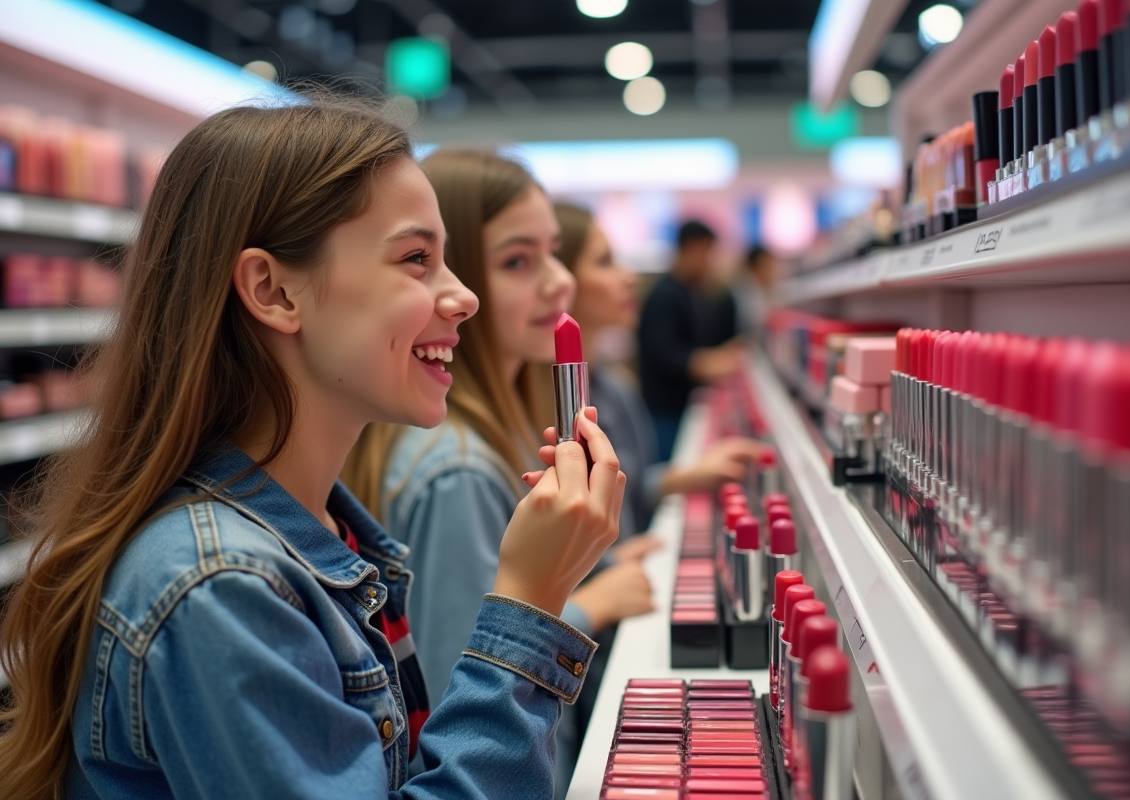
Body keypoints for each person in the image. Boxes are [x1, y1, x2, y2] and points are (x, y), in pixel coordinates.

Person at [0, 100, 626, 800]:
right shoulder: (219, 586)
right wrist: (528, 605)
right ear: (272, 290)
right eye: (417, 259)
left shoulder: (331, 542)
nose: (463, 298)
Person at [340, 150, 654, 798]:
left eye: (555, 252)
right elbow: (469, 696)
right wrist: (582, 604)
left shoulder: (502, 432)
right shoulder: (456, 469)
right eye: (518, 261)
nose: (559, 282)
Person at [555, 202, 765, 540]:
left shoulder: (613, 386)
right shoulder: (666, 296)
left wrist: (688, 475)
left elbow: (629, 485)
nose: (630, 276)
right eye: (605, 262)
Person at [637, 219, 745, 460]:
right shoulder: (665, 294)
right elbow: (662, 353)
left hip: (677, 406)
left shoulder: (687, 291)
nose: (709, 262)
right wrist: (703, 363)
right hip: (664, 409)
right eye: (707, 252)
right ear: (691, 248)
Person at [733, 244, 778, 341]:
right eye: (766, 266)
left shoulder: (761, 289)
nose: (771, 271)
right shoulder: (745, 295)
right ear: (753, 267)